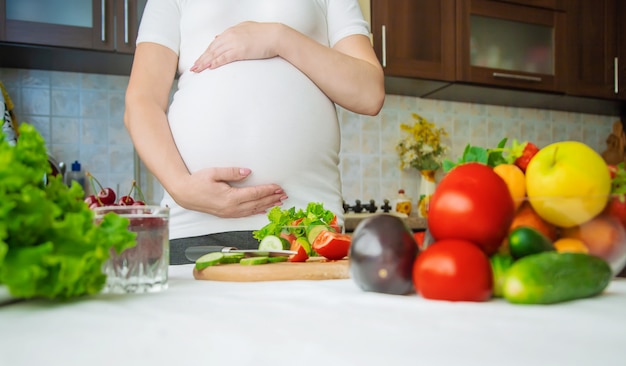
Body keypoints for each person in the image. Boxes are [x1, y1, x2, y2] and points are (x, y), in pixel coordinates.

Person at [124, 0, 385, 265]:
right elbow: (142, 100)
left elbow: (369, 93)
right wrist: (181, 187)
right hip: (195, 226)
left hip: (306, 229)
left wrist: (279, 37)